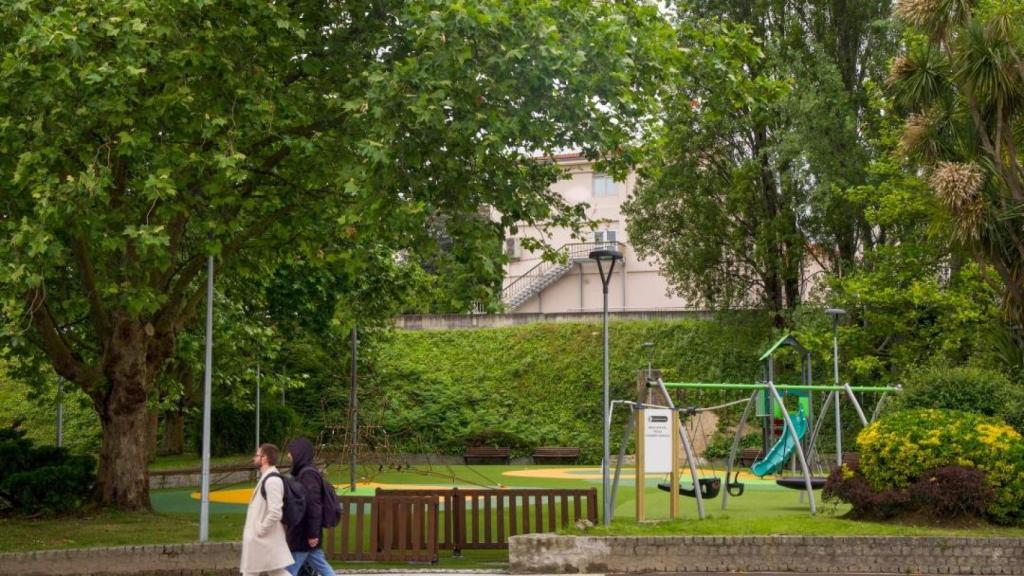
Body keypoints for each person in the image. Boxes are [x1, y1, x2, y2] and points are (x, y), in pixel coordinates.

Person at [285, 437, 336, 576]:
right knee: (322, 567)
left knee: (288, 571)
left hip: (303, 533)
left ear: (299, 453)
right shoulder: (304, 472)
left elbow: (313, 506)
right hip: (305, 533)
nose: (288, 455)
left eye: (291, 452)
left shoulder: (307, 475)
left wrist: (313, 534)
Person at [240, 443, 294, 576]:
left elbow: (275, 512)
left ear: (264, 458)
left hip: (263, 538)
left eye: (257, 455)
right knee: (276, 572)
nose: (254, 458)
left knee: (254, 572)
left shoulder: (272, 481)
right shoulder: (267, 478)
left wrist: (261, 529)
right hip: (263, 539)